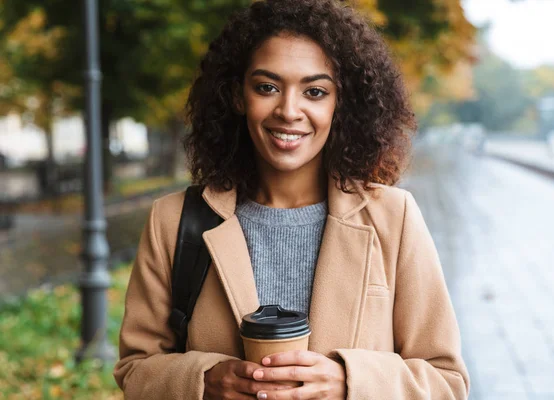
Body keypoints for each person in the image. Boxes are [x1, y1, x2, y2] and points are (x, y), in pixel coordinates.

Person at [114, 0, 470, 398]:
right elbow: (135, 371)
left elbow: (447, 383)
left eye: (315, 92)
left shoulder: (393, 217)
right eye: (267, 87)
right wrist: (203, 381)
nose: (288, 110)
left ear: (340, 103)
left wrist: (349, 383)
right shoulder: (173, 220)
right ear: (237, 95)